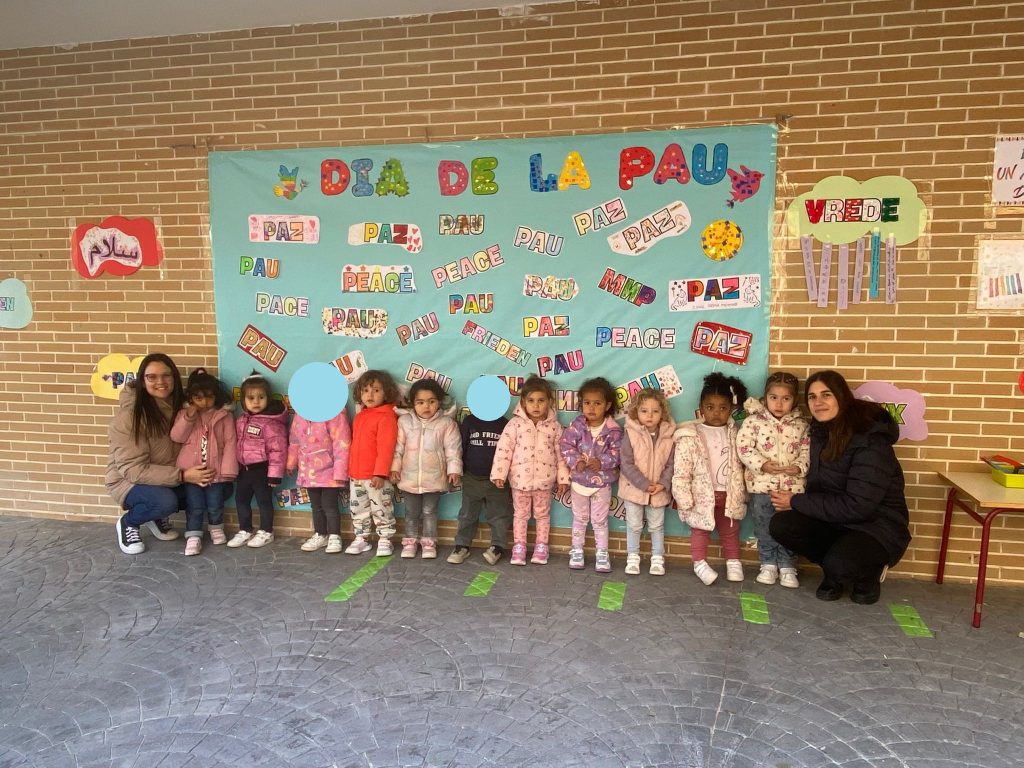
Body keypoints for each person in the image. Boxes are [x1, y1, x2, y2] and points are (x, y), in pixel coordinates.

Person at [769, 370, 911, 605]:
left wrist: (795, 501)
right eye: (812, 397)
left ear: (841, 397)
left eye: (826, 395)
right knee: (782, 525)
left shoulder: (870, 440)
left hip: (876, 527)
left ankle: (868, 575)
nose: (818, 402)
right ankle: (834, 569)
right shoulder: (819, 432)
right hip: (836, 520)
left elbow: (858, 506)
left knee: (842, 564)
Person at [106, 353, 214, 555]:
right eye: (152, 377)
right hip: (128, 481)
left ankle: (155, 516)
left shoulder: (179, 407)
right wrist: (182, 475)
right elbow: (133, 470)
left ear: (174, 378)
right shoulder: (130, 417)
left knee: (212, 488)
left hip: (166, 476)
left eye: (166, 375)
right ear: (142, 380)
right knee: (165, 501)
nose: (160, 382)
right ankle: (129, 522)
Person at [672, 372, 749, 585]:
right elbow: (681, 470)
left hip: (730, 494)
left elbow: (745, 463)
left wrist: (745, 491)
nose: (716, 412)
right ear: (701, 407)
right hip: (701, 495)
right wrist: (683, 497)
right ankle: (699, 563)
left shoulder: (737, 433)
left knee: (731, 529)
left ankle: (733, 561)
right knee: (700, 530)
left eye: (723, 408)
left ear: (731, 409)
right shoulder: (690, 435)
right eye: (710, 407)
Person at [737, 371, 809, 588]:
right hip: (762, 488)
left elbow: (807, 451)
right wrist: (762, 464)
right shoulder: (753, 422)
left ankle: (787, 565)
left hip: (791, 490)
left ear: (794, 400)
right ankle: (768, 563)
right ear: (765, 397)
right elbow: (744, 447)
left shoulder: (801, 425)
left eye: (785, 398)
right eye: (774, 397)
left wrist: (799, 467)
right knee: (764, 526)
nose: (779, 403)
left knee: (790, 527)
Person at [490, 376, 569, 566]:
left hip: (544, 481)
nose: (536, 405)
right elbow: (504, 450)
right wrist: (499, 474)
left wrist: (563, 478)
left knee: (542, 515)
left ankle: (542, 546)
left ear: (549, 402)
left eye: (541, 400)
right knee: (520, 515)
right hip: (520, 481)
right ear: (523, 402)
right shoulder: (515, 424)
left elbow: (562, 455)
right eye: (531, 400)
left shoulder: (555, 427)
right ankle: (519, 546)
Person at [390, 379, 462, 560]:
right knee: (411, 513)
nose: (426, 406)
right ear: (412, 403)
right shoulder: (404, 422)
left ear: (439, 401)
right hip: (409, 478)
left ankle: (429, 543)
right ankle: (410, 542)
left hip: (434, 478)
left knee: (430, 512)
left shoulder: (446, 424)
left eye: (431, 401)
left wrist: (454, 470)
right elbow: (398, 448)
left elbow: (453, 450)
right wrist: (395, 468)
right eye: (420, 402)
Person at [171, 368, 238, 556]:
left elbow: (231, 442)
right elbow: (176, 436)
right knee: (195, 505)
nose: (204, 402)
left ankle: (216, 527)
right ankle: (193, 535)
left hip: (216, 472)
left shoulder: (224, 415)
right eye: (198, 398)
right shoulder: (184, 414)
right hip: (192, 472)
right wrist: (188, 416)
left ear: (216, 396)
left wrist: (228, 470)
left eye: (209, 397)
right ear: (191, 398)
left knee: (215, 504)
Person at [559, 377, 622, 572]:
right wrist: (575, 461)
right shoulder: (577, 426)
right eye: (587, 403)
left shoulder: (613, 430)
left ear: (607, 405)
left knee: (600, 521)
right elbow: (565, 445)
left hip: (601, 484)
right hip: (579, 482)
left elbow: (618, 453)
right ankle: (577, 550)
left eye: (597, 403)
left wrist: (602, 462)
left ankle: (602, 553)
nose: (591, 408)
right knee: (579, 518)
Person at [618, 388, 676, 576]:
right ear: (636, 412)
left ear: (662, 413)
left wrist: (662, 484)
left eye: (655, 411)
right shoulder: (630, 433)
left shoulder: (669, 436)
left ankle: (657, 558)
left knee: (657, 526)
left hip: (658, 491)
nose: (649, 416)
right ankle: (633, 557)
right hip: (634, 490)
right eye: (644, 411)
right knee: (634, 525)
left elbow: (671, 464)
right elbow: (626, 464)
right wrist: (643, 484)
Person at [228, 371, 288, 549]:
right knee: (241, 500)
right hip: (244, 470)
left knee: (264, 501)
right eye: (251, 398)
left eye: (261, 397)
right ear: (243, 400)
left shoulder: (271, 423)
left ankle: (266, 531)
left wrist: (275, 475)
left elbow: (278, 450)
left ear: (268, 398)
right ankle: (245, 529)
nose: (256, 402)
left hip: (262, 470)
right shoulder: (241, 420)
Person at [448, 405, 512, 565]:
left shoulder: (506, 424)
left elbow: (510, 452)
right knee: (467, 514)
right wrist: (458, 470)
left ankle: (497, 547)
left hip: (497, 481)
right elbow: (461, 447)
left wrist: (506, 475)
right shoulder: (469, 422)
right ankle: (462, 545)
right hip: (472, 478)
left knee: (499, 515)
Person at [346, 370, 400, 556]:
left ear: (386, 393)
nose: (370, 395)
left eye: (376, 390)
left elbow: (387, 448)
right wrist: (351, 471)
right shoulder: (360, 416)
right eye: (365, 390)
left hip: (377, 477)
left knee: (381, 508)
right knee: (358, 509)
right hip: (356, 475)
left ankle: (385, 539)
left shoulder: (387, 416)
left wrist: (380, 473)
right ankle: (361, 538)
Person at [287, 399, 351, 554]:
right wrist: (291, 463)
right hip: (308, 471)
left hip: (330, 473)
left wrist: (340, 472)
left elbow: (342, 444)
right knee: (316, 506)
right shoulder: (300, 416)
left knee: (330, 506)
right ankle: (320, 534)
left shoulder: (335, 414)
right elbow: (294, 441)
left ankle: (335, 536)